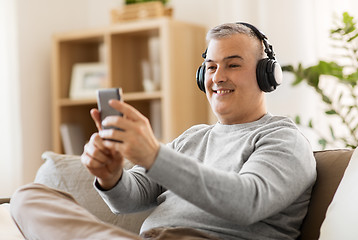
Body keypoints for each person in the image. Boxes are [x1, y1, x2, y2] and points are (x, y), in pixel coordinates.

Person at [11, 22, 317, 240]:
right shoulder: (194, 138)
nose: (218, 77)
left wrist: (155, 155)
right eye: (210, 67)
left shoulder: (283, 139)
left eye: (233, 65)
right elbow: (131, 199)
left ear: (267, 76)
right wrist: (111, 175)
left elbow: (247, 202)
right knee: (28, 197)